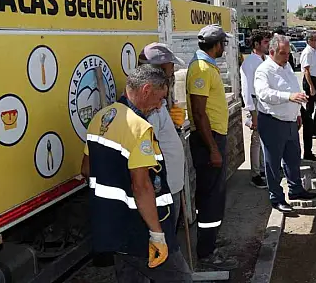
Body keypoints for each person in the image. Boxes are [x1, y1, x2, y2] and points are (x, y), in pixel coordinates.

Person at [84, 65, 192, 282]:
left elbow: (86, 169)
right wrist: (157, 234)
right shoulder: (140, 128)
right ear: (145, 90)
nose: (160, 104)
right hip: (141, 229)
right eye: (160, 98)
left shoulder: (101, 119)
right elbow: (142, 187)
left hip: (114, 227)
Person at [186, 24, 237, 271]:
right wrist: (213, 149)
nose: (224, 48)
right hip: (209, 140)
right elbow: (198, 112)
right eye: (223, 44)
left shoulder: (206, 66)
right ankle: (206, 252)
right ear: (217, 45)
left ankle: (211, 241)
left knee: (215, 195)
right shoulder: (201, 68)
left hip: (214, 137)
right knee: (209, 196)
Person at [254, 34, 316, 214]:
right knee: (273, 163)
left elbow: (294, 88)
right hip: (272, 122)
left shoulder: (287, 66)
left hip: (290, 121)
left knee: (293, 158)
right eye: (283, 54)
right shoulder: (264, 70)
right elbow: (264, 94)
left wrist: (297, 112)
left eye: (288, 53)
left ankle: (296, 190)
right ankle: (276, 198)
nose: (286, 57)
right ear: (272, 51)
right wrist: (289, 97)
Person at [137, 43, 187, 226]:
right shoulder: (150, 105)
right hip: (163, 187)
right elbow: (150, 149)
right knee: (166, 236)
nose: (173, 71)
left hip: (171, 183)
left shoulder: (159, 100)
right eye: (170, 67)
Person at [239, 30, 271, 189]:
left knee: (265, 139)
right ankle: (255, 174)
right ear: (256, 44)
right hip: (255, 103)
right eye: (265, 42)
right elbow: (246, 89)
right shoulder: (249, 62)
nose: (268, 45)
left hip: (265, 103)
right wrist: (252, 113)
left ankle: (264, 169)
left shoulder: (264, 59)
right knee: (256, 139)